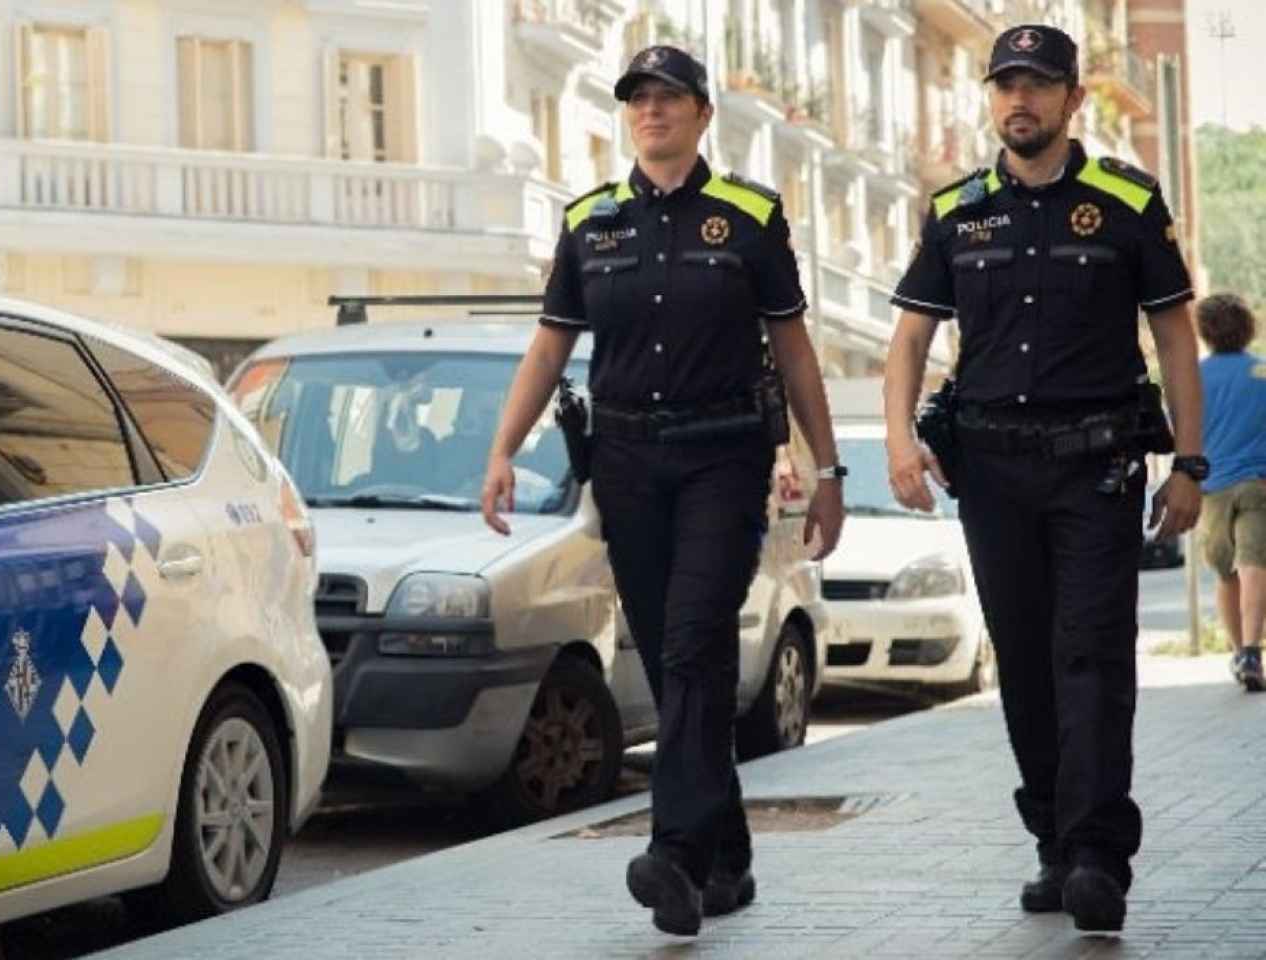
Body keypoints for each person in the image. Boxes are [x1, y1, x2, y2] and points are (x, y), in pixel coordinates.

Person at [480, 44, 844, 938]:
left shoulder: (749, 216)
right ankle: (729, 855)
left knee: (689, 648)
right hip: (629, 467)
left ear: (702, 114)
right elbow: (548, 347)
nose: (651, 111)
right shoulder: (590, 222)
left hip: (724, 459)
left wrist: (827, 468)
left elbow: (793, 350)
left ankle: (674, 854)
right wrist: (501, 449)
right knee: (691, 662)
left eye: (668, 98)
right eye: (638, 99)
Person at [883, 23, 1204, 935]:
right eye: (1004, 85)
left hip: (1095, 465)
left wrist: (1187, 460)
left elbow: (1175, 334)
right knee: (1023, 660)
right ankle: (1055, 845)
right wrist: (902, 444)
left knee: (1090, 656)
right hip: (991, 471)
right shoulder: (955, 210)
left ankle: (1099, 851)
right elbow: (910, 337)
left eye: (1036, 85)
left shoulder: (1126, 200)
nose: (1018, 101)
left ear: (1073, 99)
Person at [1193, 293, 1266, 691]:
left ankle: (1240, 651)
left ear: (1204, 331)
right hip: (1258, 484)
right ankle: (1252, 651)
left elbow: (1178, 430)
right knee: (1255, 563)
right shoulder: (1262, 372)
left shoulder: (1193, 376)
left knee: (1226, 573)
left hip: (1212, 488)